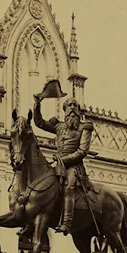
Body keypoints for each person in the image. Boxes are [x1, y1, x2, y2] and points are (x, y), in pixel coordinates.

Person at [33, 94, 93, 235]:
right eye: (70, 106)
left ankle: (67, 222)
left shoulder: (85, 127)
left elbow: (82, 151)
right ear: (64, 109)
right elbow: (39, 122)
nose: (73, 108)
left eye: (75, 106)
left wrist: (64, 160)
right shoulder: (58, 126)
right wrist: (37, 104)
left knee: (69, 185)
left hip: (74, 166)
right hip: (58, 165)